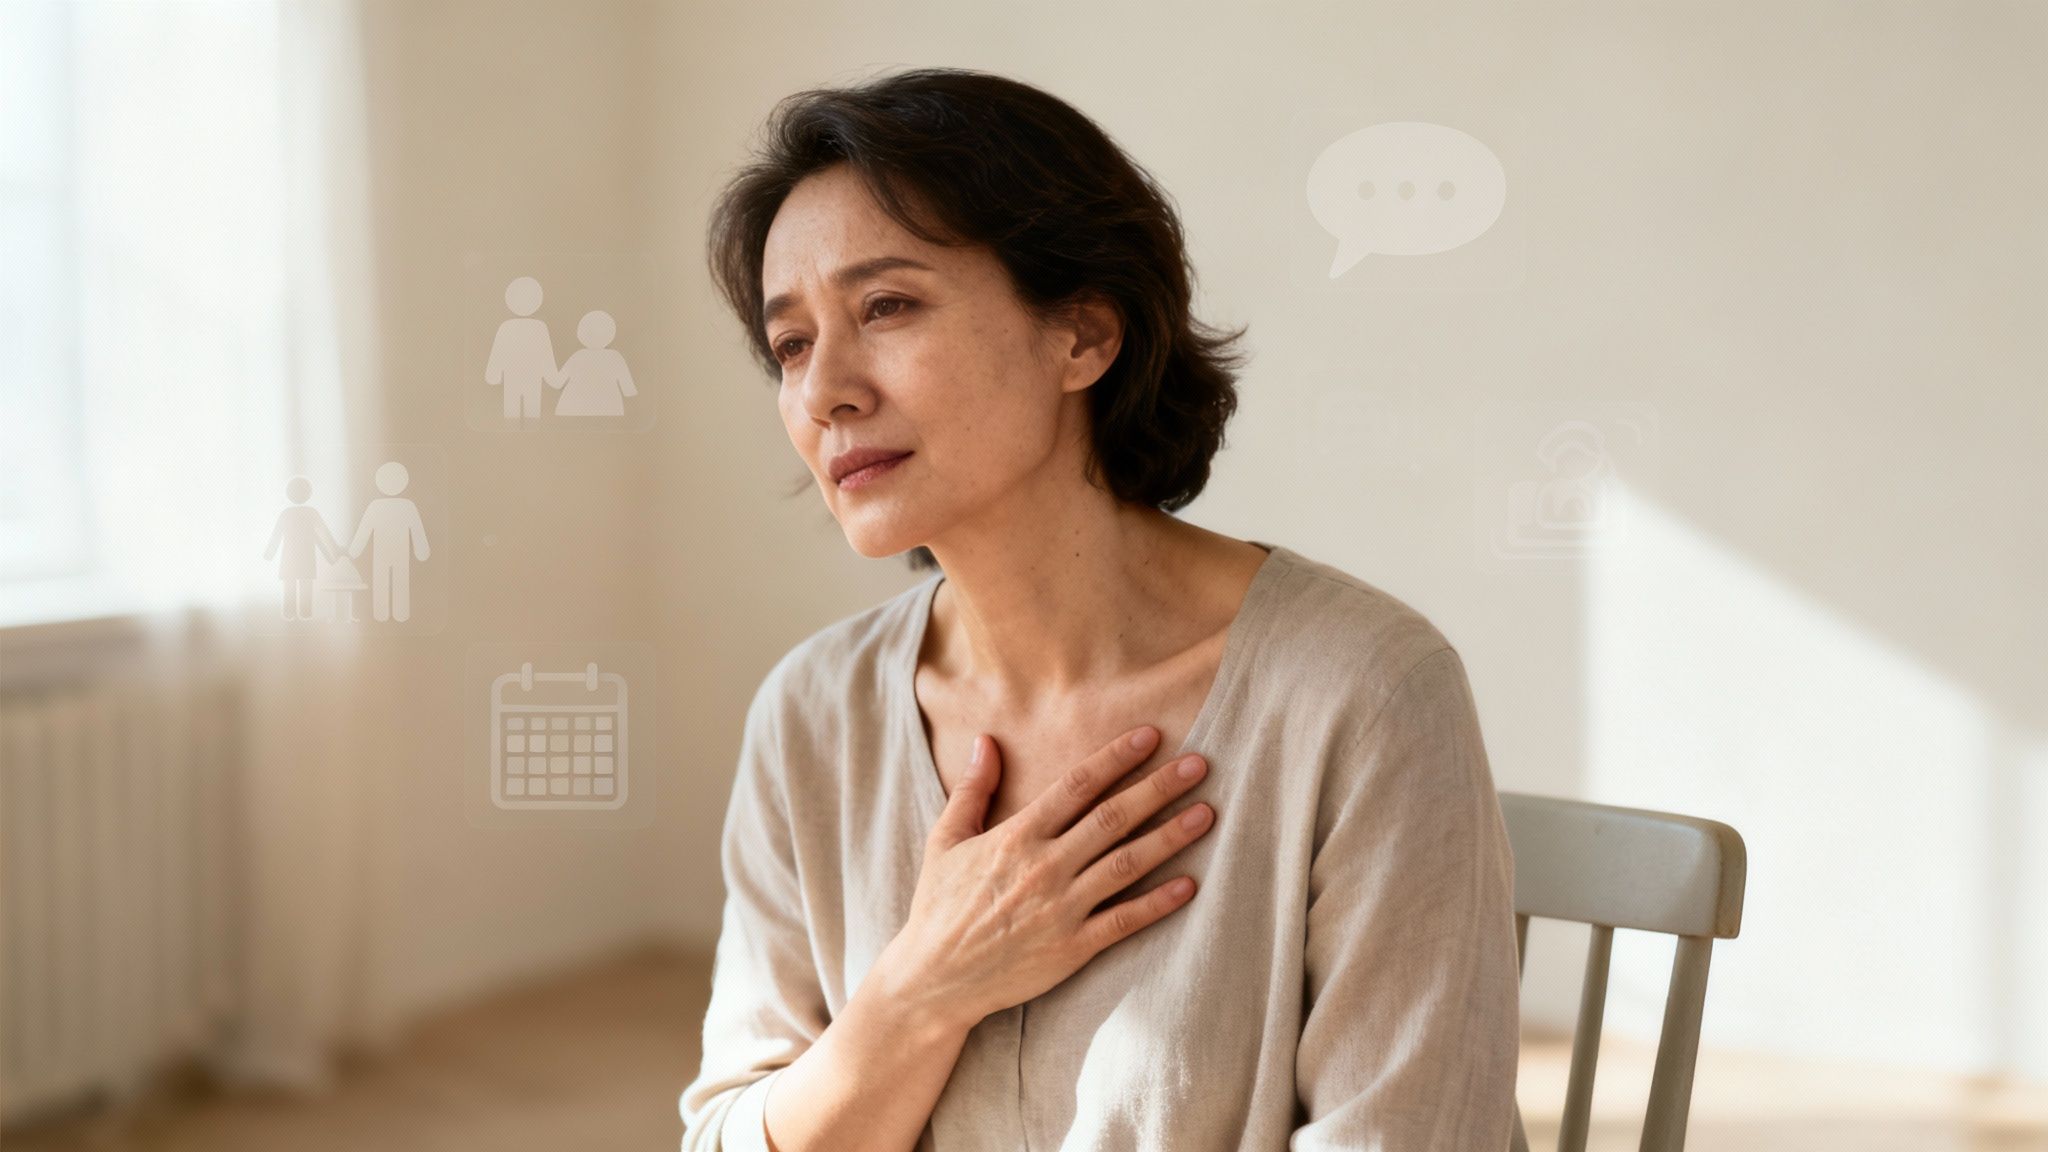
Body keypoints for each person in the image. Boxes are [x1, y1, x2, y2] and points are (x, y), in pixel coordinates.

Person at [680, 67, 1520, 1152]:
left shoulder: (1363, 692)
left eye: (885, 306)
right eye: (790, 344)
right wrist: (922, 990)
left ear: (1080, 336)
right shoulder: (809, 713)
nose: (824, 389)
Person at [549, 309, 638, 416]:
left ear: (581, 333)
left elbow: (557, 382)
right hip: (609, 411)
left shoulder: (578, 356)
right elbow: (628, 390)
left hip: (574, 410)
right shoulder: (615, 357)